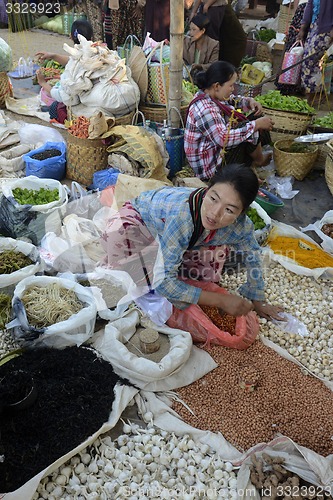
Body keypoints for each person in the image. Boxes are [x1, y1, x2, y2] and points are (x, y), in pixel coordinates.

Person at [100, 164, 283, 320]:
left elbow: (253, 256)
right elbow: (163, 283)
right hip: (140, 222)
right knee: (138, 275)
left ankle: (169, 260)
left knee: (205, 273)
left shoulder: (241, 227)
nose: (214, 213)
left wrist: (258, 300)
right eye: (213, 199)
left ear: (241, 213)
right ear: (206, 190)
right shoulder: (182, 215)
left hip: (177, 236)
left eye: (229, 209)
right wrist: (221, 300)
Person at [184, 61, 274, 181]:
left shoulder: (213, 95)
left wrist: (249, 102)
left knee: (255, 118)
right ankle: (258, 161)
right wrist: (256, 125)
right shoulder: (205, 109)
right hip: (209, 169)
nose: (233, 89)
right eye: (231, 85)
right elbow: (223, 139)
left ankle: (253, 164)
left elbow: (232, 100)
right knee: (250, 127)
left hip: (215, 152)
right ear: (217, 86)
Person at [35, 20, 94, 123]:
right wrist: (53, 55)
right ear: (92, 37)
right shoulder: (95, 52)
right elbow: (73, 60)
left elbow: (61, 96)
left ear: (71, 36)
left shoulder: (74, 66)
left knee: (54, 107)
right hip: (95, 100)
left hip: (83, 107)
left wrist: (42, 83)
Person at [189, 0, 247, 67]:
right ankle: (212, 68)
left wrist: (197, 9)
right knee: (210, 41)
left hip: (214, 7)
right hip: (214, 8)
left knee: (229, 39)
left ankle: (222, 68)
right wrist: (202, 7)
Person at [297, 0, 333, 102]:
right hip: (314, 28)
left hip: (326, 29)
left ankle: (316, 95)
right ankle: (312, 94)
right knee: (307, 60)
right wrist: (302, 29)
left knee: (311, 60)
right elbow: (309, 6)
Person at [275, 0, 308, 95]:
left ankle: (289, 85)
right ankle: (288, 85)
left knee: (295, 51)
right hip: (305, 13)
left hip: (306, 12)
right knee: (295, 52)